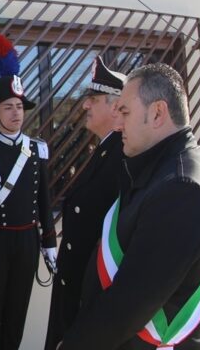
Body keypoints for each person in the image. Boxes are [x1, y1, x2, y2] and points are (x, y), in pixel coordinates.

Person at [58, 63, 200, 349]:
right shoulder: (161, 167)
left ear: (157, 112)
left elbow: (129, 306)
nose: (118, 123)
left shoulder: (183, 187)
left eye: (125, 112)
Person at [0, 34, 56, 350]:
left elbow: (44, 199)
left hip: (27, 241)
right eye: (8, 107)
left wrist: (49, 242)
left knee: (18, 311)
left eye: (19, 106)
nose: (16, 113)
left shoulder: (37, 149)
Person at [43, 56, 125, 350]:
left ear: (116, 106)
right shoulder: (106, 150)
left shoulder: (122, 158)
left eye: (93, 98)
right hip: (72, 296)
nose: (85, 105)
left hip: (87, 302)